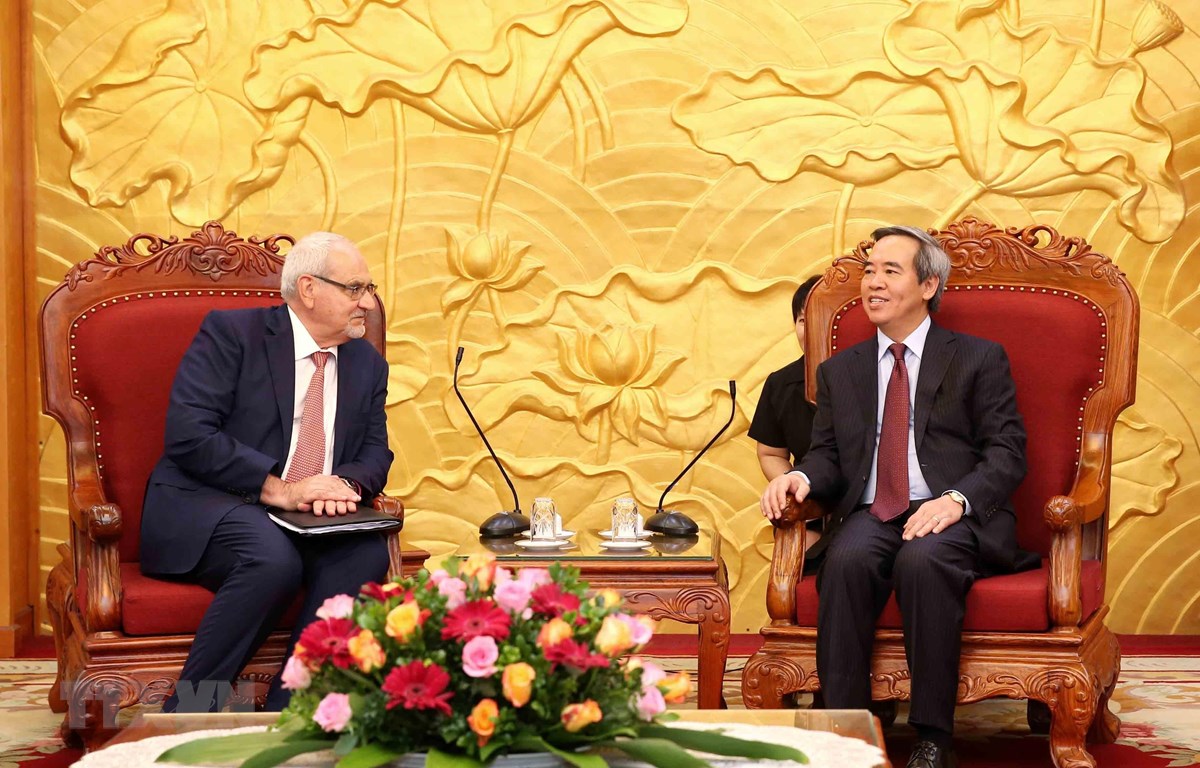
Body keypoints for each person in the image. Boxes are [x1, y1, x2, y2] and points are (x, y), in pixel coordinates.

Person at [760, 225, 1034, 768]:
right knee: (846, 559)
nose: (874, 283)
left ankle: (933, 738)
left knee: (923, 560)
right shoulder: (842, 371)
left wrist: (956, 499)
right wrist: (802, 479)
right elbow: (829, 455)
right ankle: (845, 732)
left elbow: (1007, 451)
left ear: (929, 285)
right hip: (874, 511)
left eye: (890, 271)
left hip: (950, 512)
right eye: (869, 271)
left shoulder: (978, 358)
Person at [141, 232, 394, 713]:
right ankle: (188, 713)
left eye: (369, 288)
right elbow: (189, 435)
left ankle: (288, 715)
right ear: (309, 289)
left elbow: (375, 450)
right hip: (218, 503)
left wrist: (345, 485)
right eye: (355, 288)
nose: (367, 302)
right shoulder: (234, 335)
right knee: (271, 558)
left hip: (311, 516)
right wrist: (279, 490)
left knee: (364, 553)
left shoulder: (366, 363)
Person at [749, 275, 822, 555]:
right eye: (803, 320)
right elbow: (770, 453)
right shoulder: (780, 384)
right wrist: (795, 485)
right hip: (812, 508)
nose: (810, 328)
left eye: (820, 317)